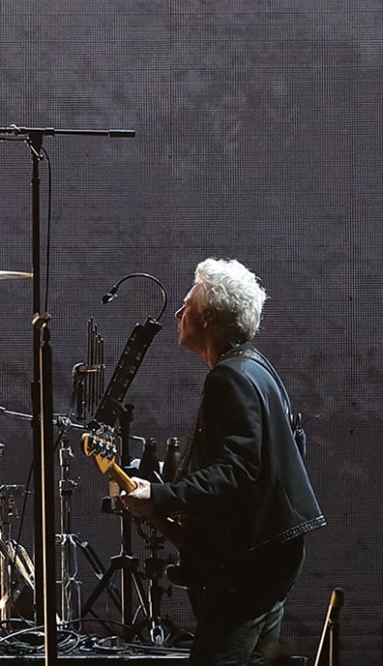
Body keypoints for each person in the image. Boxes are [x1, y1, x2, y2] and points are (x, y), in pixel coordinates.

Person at [120, 259, 325, 665]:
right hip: (273, 552)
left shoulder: (230, 377)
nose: (178, 314)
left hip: (253, 562)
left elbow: (238, 470)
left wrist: (162, 496)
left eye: (187, 305)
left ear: (209, 317)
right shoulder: (258, 369)